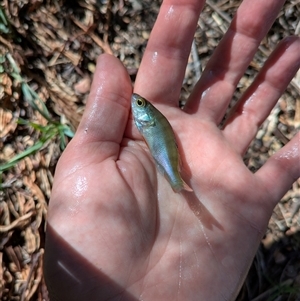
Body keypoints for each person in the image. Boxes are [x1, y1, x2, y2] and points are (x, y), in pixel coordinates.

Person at [44, 0, 300, 300]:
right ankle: (177, 182)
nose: (136, 104)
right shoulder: (147, 121)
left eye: (140, 105)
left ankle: (177, 182)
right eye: (140, 104)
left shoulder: (148, 119)